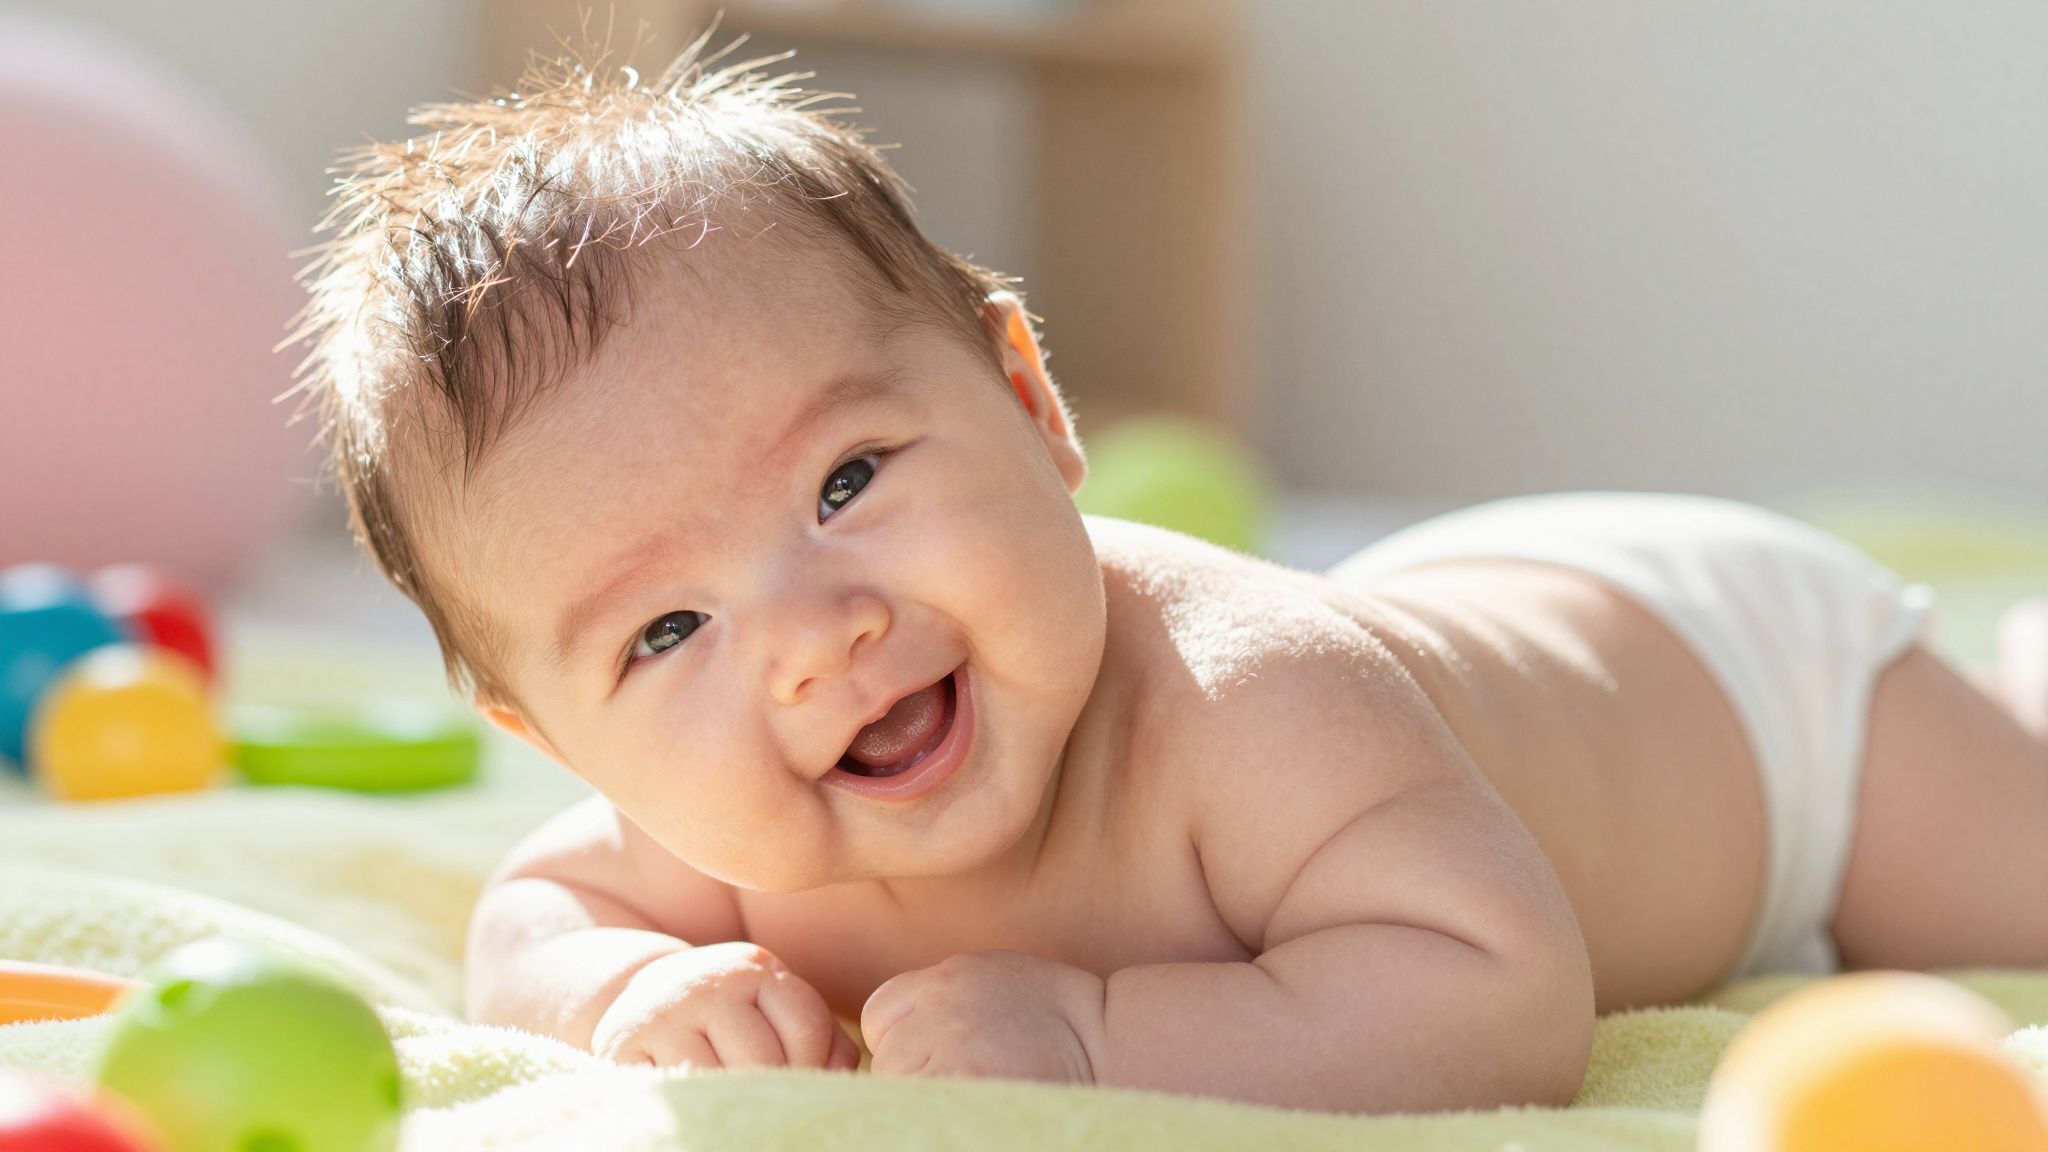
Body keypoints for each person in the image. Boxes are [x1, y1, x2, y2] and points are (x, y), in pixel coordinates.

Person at [286, 36, 2048, 1115]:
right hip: (1485, 619)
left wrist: (1094, 1031)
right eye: (665, 631)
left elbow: (1500, 994)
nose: (817, 643)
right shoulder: (713, 816)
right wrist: (615, 994)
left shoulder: (1249, 697)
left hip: (1750, 694)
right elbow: (534, 913)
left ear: (1031, 400)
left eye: (847, 480)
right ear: (556, 731)